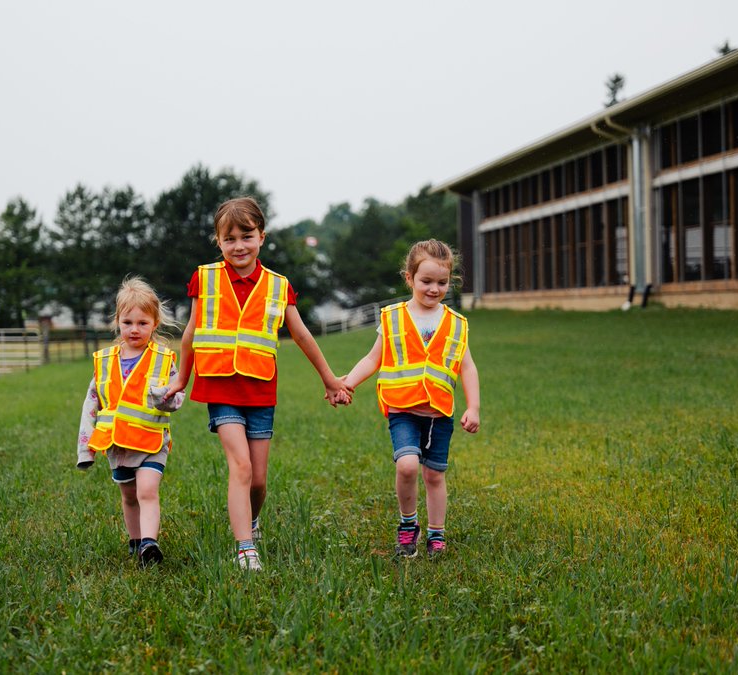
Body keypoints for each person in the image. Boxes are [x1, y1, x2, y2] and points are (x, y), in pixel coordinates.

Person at [162, 196, 351, 571]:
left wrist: (330, 379)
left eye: (246, 236)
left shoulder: (279, 286)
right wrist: (181, 380)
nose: (238, 246)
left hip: (260, 390)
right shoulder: (205, 278)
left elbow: (301, 336)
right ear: (218, 242)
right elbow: (190, 333)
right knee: (241, 467)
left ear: (262, 237)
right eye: (229, 239)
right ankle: (245, 548)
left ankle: (252, 519)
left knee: (259, 480)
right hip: (219, 387)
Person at [340, 239, 480, 559]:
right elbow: (372, 359)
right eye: (426, 281)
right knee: (406, 467)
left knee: (433, 475)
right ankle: (408, 524)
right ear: (409, 278)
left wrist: (473, 406)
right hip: (402, 409)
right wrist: (347, 383)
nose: (434, 289)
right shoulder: (392, 318)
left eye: (442, 282)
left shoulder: (457, 325)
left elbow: (467, 367)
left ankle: (436, 533)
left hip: (439, 413)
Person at [76, 277, 185, 567]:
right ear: (117, 322)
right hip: (118, 446)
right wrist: (85, 450)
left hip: (151, 442)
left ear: (154, 323)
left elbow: (177, 396)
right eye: (127, 322)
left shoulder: (163, 360)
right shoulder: (105, 362)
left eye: (142, 323)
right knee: (129, 497)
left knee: (147, 491)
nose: (134, 329)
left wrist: (166, 399)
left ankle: (150, 543)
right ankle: (136, 541)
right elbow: (91, 406)